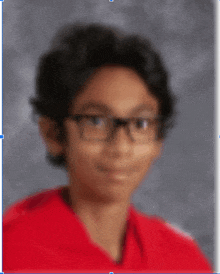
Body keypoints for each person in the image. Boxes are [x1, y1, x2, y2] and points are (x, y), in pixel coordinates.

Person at [3, 23, 213, 273]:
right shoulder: (12, 254)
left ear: (158, 140)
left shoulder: (181, 258)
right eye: (96, 121)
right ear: (53, 134)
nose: (121, 146)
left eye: (140, 123)